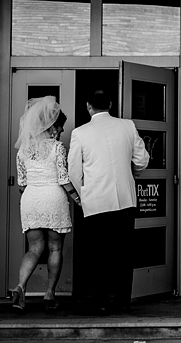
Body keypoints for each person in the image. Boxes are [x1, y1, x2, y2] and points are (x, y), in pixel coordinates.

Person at [67, 88, 150, 314]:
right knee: (123, 252)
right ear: (111, 105)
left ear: (88, 106)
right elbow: (142, 160)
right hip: (124, 200)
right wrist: (132, 173)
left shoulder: (80, 132)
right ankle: (123, 300)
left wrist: (82, 196)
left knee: (98, 253)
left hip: (96, 202)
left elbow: (73, 172)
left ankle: (101, 301)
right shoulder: (127, 126)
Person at [12, 96, 79, 313]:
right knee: (54, 247)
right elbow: (64, 179)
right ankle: (49, 293)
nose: (60, 132)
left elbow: (22, 183)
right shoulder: (58, 148)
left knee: (33, 248)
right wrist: (79, 200)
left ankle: (21, 286)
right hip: (53, 197)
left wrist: (33, 190)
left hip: (31, 198)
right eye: (59, 128)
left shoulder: (22, 150)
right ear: (50, 126)